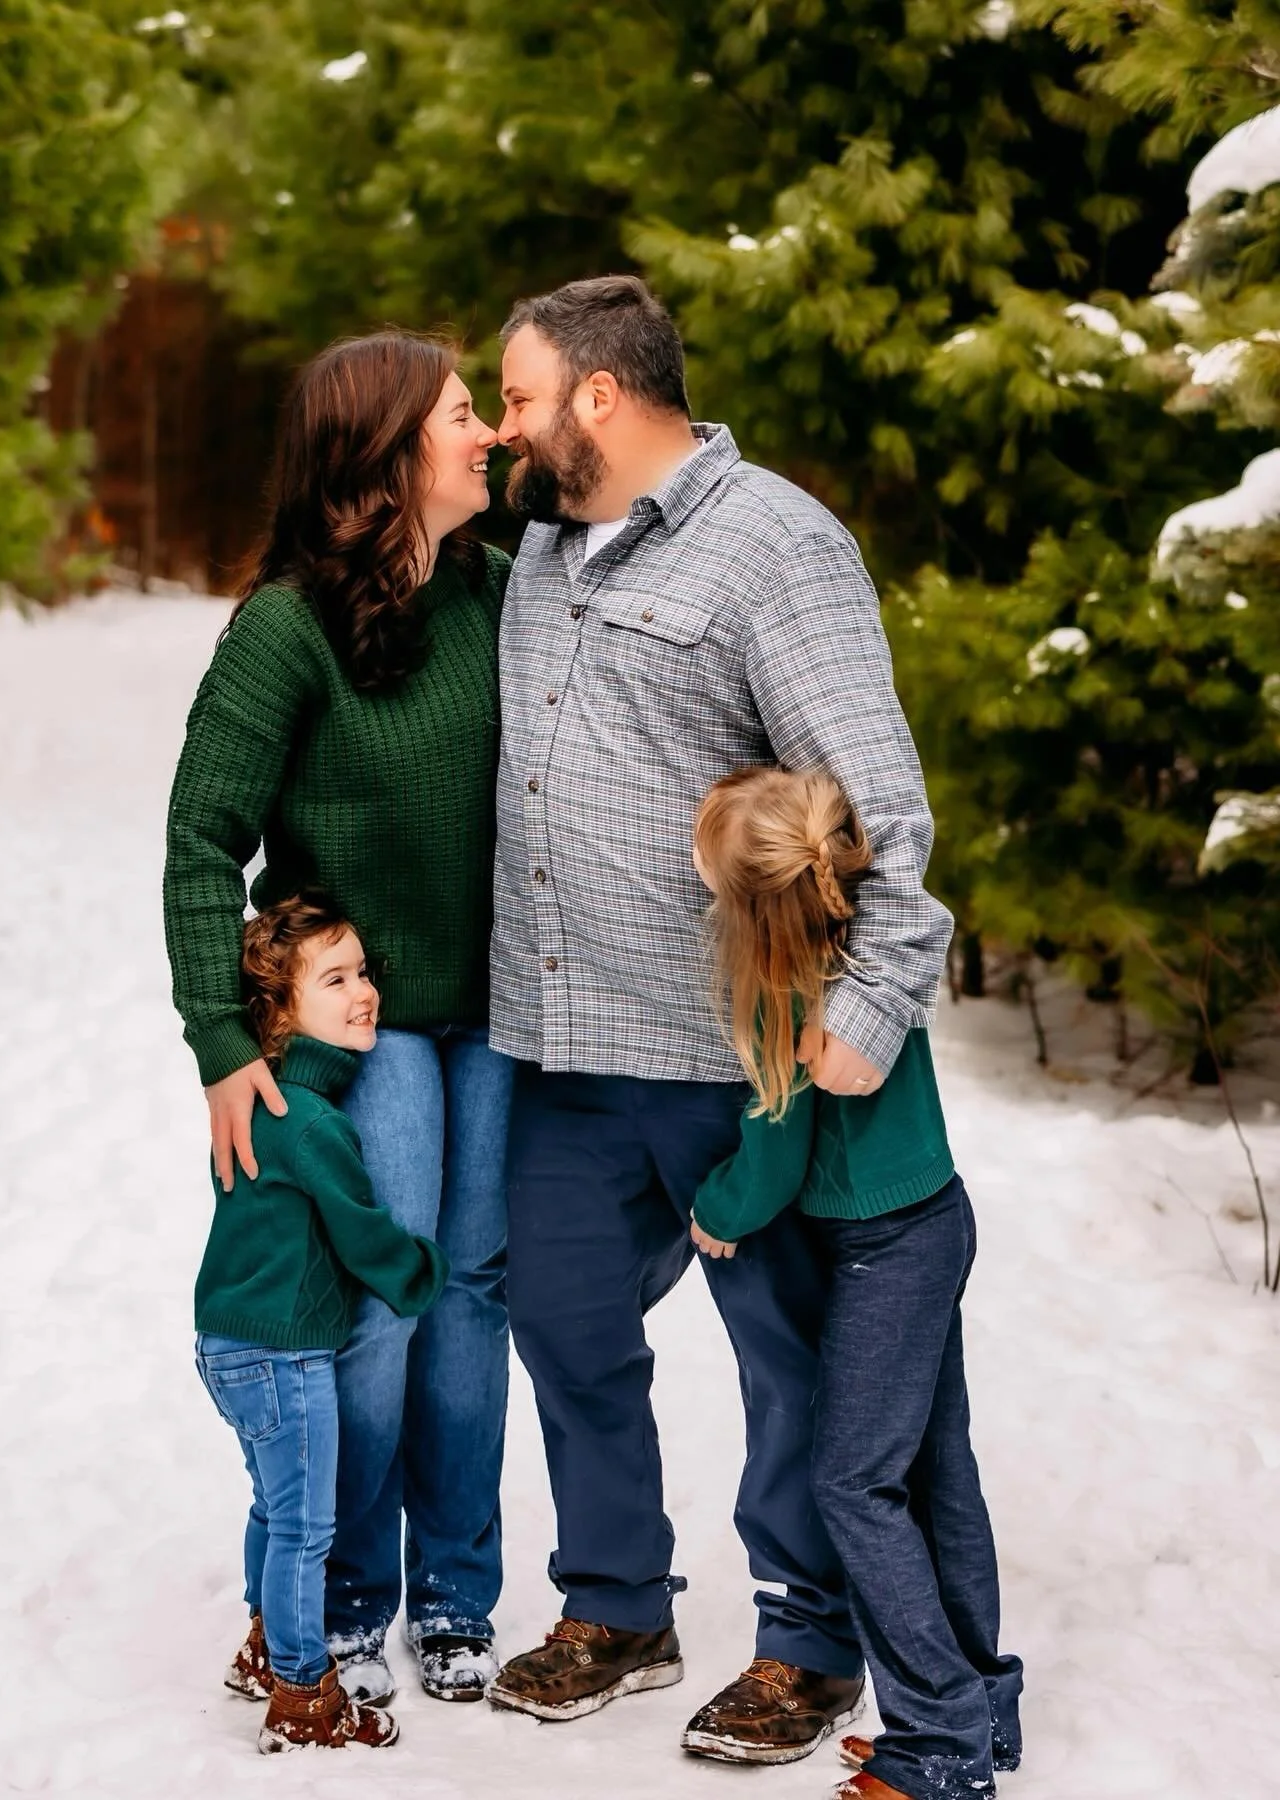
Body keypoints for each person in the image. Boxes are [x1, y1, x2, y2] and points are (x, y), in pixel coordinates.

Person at [486, 275, 955, 1762]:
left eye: (517, 396)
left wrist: (870, 1010)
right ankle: (617, 1601)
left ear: (601, 399)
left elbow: (876, 806)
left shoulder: (780, 548)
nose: (504, 426)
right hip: (563, 1045)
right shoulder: (545, 549)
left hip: (732, 1058)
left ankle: (809, 1642)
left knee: (786, 1362)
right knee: (562, 1324)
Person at [163, 334, 514, 1704]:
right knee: (383, 1293)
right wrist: (220, 1045)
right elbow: (202, 837)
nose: (488, 433)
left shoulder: (499, 586)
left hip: (502, 1009)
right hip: (362, 1026)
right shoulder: (287, 626)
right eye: (462, 414)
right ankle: (349, 1589)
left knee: (473, 1296)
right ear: (384, 453)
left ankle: (460, 1594)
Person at [686, 765, 1023, 1800]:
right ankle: (976, 1709)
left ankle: (937, 1749)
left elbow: (776, 1146)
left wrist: (718, 1210)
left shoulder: (785, 981)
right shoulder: (868, 949)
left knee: (855, 1483)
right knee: (933, 1468)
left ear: (751, 904)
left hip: (886, 1247)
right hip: (931, 1219)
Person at [193, 892, 449, 1752]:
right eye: (334, 980)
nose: (363, 992)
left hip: (230, 1342)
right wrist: (421, 1271)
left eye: (363, 971)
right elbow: (363, 1233)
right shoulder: (309, 1122)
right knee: (305, 1526)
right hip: (280, 1353)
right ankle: (304, 1694)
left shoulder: (266, 1106)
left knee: (276, 1507)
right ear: (278, 1011)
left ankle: (266, 1643)